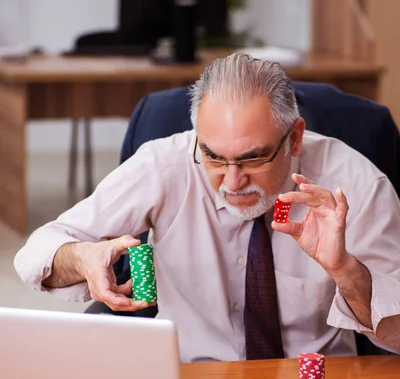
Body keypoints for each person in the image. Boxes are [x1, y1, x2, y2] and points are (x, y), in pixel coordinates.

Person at [14, 53, 400, 362]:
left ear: (295, 138)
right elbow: (36, 252)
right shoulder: (166, 165)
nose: (232, 183)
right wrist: (81, 257)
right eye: (214, 157)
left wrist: (345, 270)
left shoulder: (356, 184)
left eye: (254, 159)